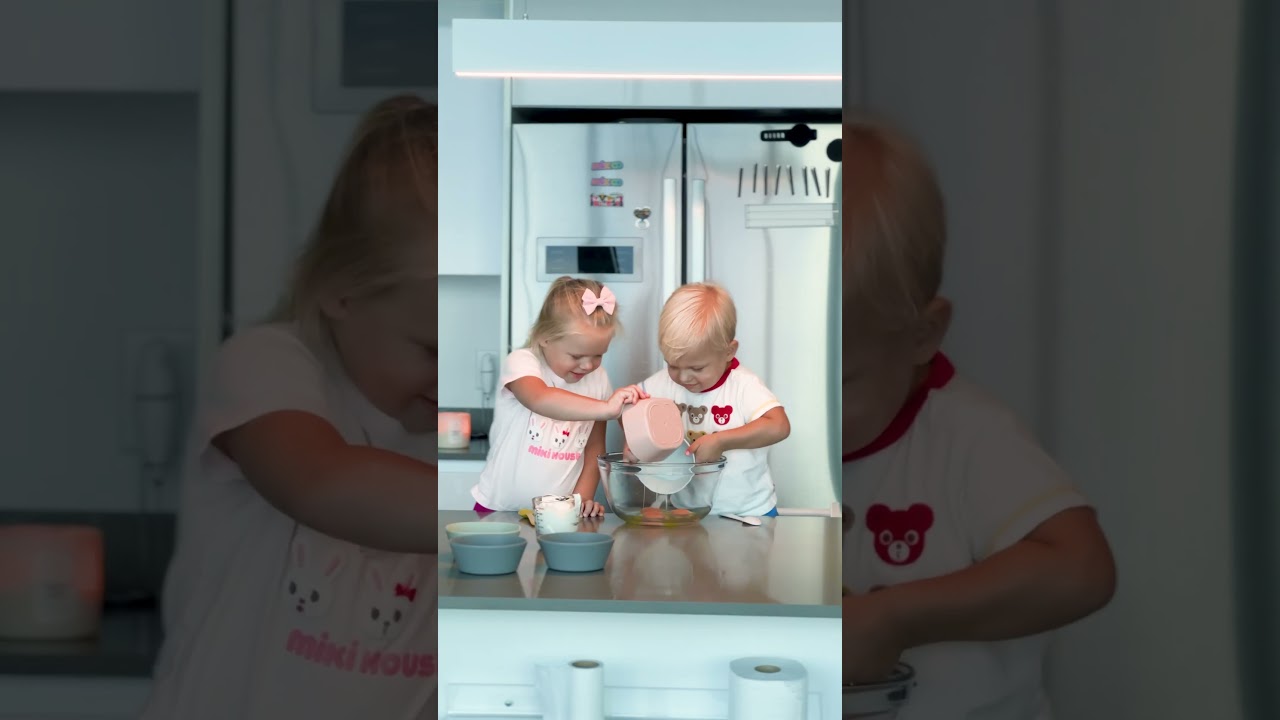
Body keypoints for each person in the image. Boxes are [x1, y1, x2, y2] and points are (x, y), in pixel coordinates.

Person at [142, 95, 439, 720]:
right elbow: (320, 481)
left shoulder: (464, 432)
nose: (457, 380)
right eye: (431, 349)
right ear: (340, 292)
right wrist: (519, 514)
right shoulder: (266, 366)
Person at [841, 114, 1117, 718]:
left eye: (839, 383)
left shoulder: (966, 437)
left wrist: (895, 617)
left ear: (923, 336)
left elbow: (1083, 569)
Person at [470, 276, 647, 515]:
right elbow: (540, 399)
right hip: (497, 509)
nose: (587, 365)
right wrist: (607, 408)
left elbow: (594, 447)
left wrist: (580, 502)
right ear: (545, 337)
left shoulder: (598, 379)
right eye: (576, 356)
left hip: (558, 516)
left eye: (598, 355)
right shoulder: (523, 363)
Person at [625, 282, 791, 517]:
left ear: (728, 352)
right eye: (673, 365)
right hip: (684, 511)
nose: (683, 377)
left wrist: (721, 441)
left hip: (747, 513)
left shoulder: (743, 386)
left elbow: (779, 426)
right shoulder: (663, 383)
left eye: (697, 368)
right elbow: (628, 410)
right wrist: (636, 441)